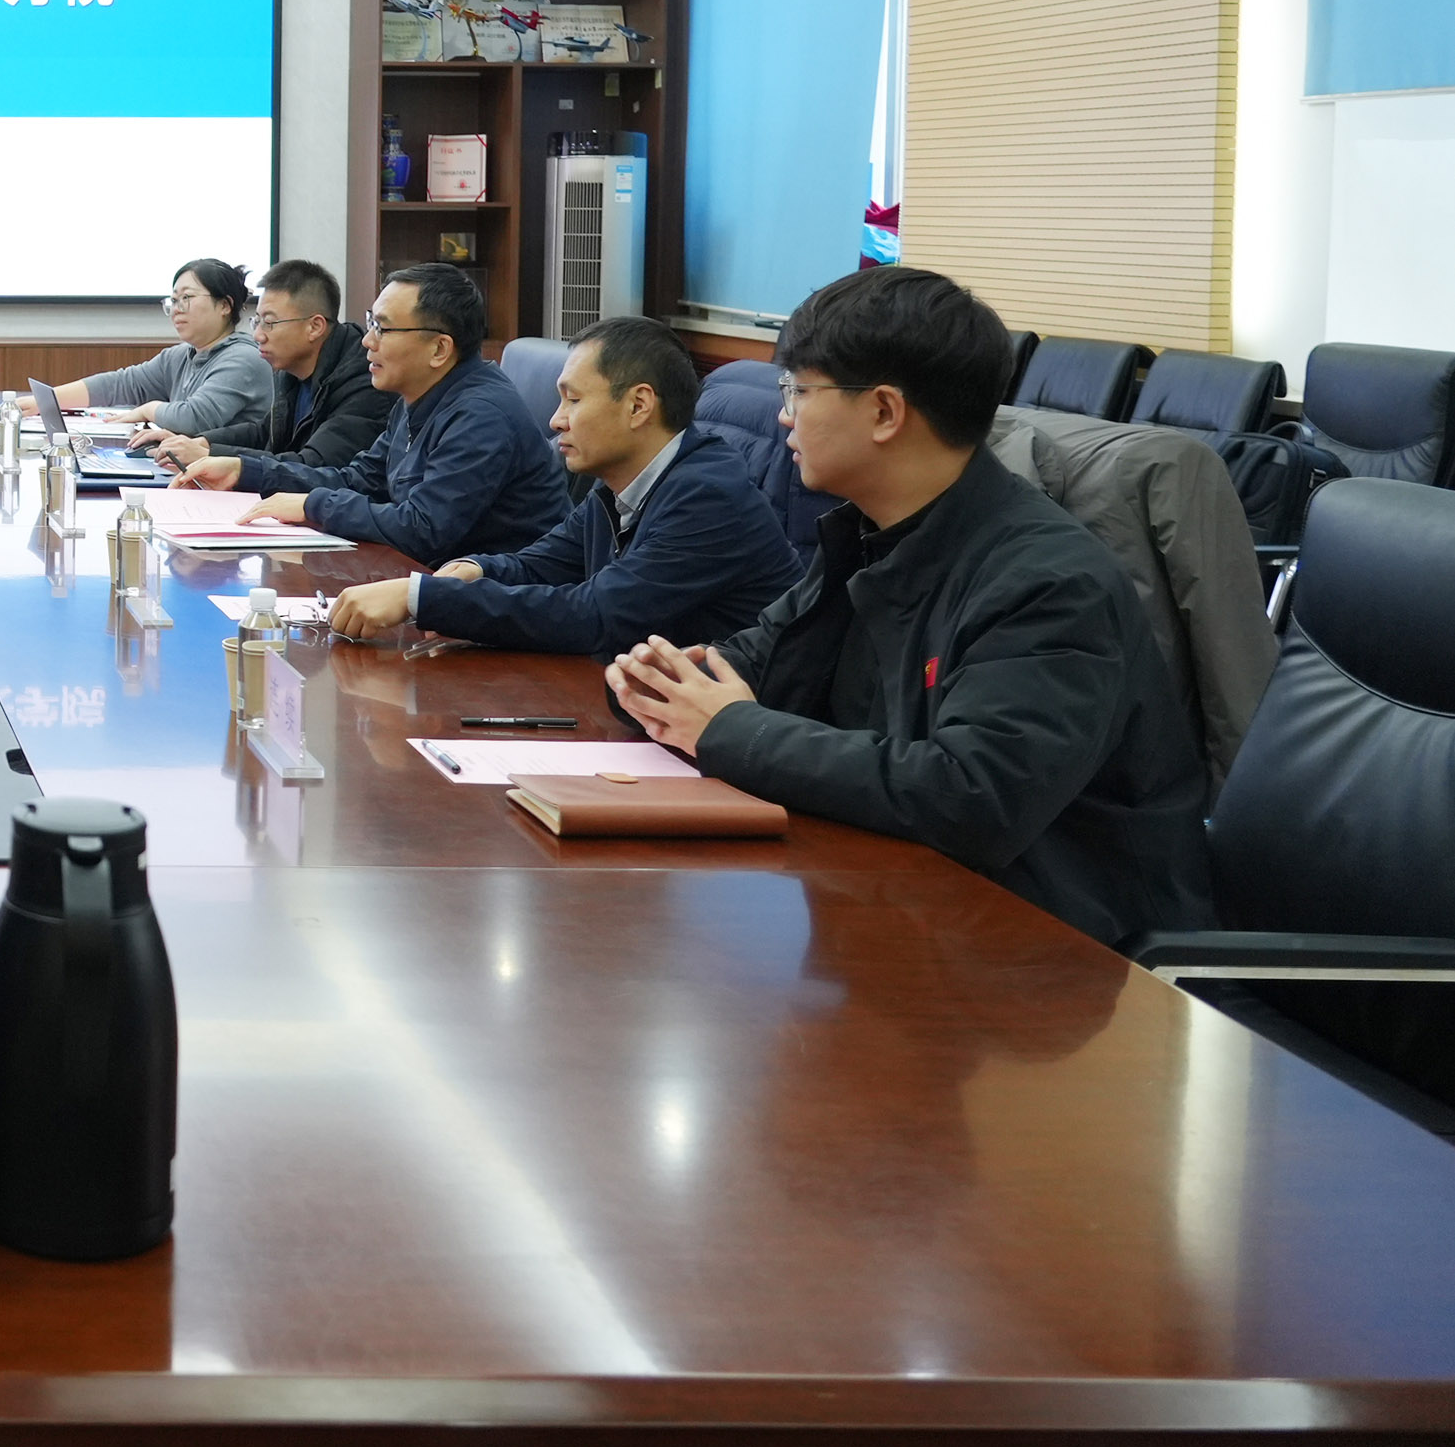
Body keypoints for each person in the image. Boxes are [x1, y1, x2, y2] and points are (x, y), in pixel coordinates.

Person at [607, 266, 1215, 947]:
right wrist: (655, 685)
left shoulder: (1049, 582)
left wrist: (728, 728)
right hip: (901, 903)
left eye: (799, 390)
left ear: (884, 412)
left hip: (1059, 952)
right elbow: (757, 664)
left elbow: (971, 794)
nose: (784, 414)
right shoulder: (868, 534)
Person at [328, 316, 796, 653]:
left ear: (638, 406)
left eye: (573, 400)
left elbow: (596, 615)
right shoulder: (618, 484)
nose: (556, 421)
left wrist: (421, 598)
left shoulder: (707, 496)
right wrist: (475, 569)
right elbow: (542, 564)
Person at [176, 261, 567, 561]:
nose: (367, 341)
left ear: (439, 349)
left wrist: (312, 505)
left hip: (495, 605)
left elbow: (424, 528)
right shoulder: (416, 397)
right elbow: (358, 479)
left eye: (383, 328)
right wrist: (244, 470)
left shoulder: (481, 416)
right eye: (371, 323)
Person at [141, 259, 388, 476]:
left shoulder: (363, 381)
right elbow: (264, 433)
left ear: (314, 327)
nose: (258, 335)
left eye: (269, 323)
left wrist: (211, 455)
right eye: (257, 321)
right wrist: (200, 442)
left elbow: (313, 465)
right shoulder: (291, 370)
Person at [49, 257, 273, 449]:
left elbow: (194, 419)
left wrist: (149, 409)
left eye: (187, 298)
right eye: (173, 300)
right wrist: (48, 401)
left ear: (225, 305)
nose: (176, 309)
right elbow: (122, 383)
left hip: (235, 478)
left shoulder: (244, 358)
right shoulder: (180, 356)